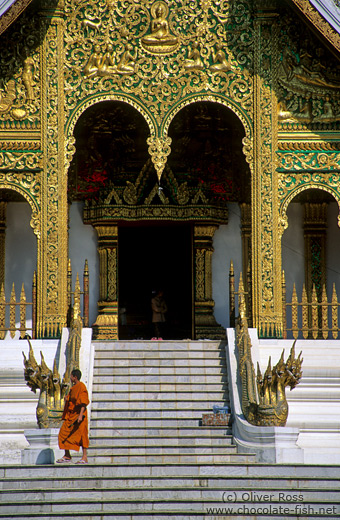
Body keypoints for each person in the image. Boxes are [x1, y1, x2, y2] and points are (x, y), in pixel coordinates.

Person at [57, 368, 89, 464]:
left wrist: (80, 416)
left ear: (75, 377)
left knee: (82, 435)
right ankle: (67, 455)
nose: (70, 378)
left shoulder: (81, 387)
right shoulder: (73, 388)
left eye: (71, 376)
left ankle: (84, 457)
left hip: (80, 415)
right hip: (71, 416)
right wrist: (67, 398)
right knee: (63, 433)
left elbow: (83, 402)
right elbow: (72, 399)